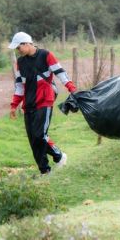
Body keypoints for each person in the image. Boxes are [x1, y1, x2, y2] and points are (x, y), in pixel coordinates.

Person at [8, 32, 76, 174]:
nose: (17, 51)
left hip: (45, 100)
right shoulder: (20, 62)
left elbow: (60, 72)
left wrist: (71, 88)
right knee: (33, 139)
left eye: (18, 47)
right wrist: (14, 105)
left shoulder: (45, 55)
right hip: (29, 103)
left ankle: (59, 156)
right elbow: (20, 85)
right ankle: (45, 171)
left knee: (40, 135)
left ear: (27, 43)